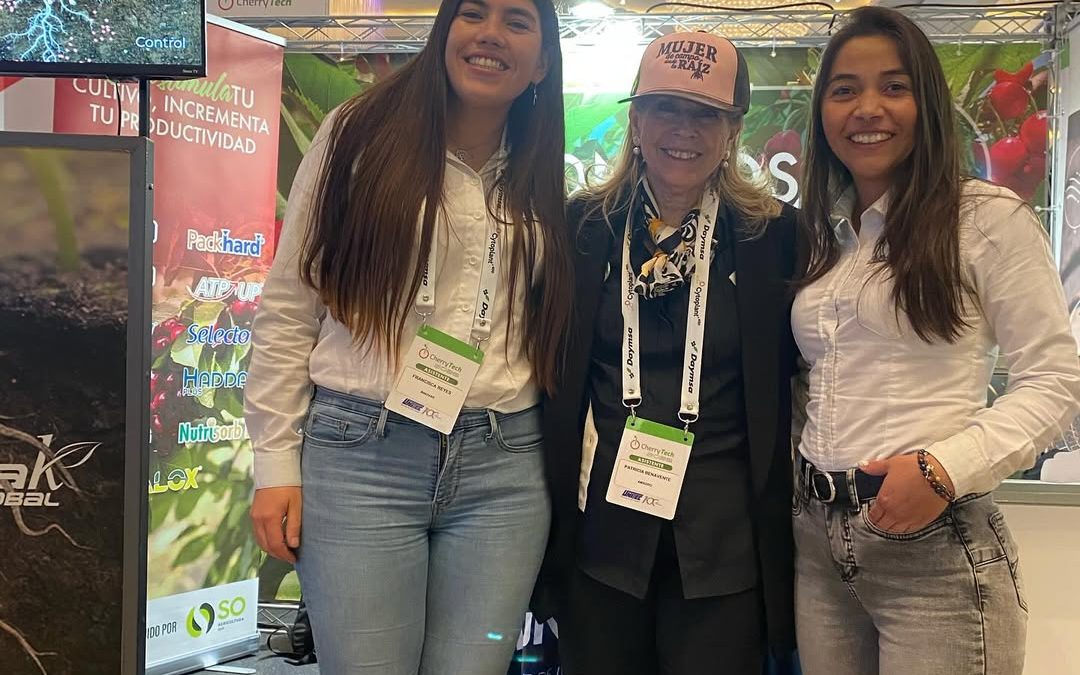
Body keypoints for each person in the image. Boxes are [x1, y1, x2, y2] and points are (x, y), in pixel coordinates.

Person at [244, 0, 573, 672]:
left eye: (517, 21)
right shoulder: (358, 136)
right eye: (473, 13)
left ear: (542, 62)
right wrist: (274, 461)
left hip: (504, 466)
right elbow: (290, 304)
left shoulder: (540, 168)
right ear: (444, 30)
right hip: (362, 456)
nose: (490, 35)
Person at [791, 7, 1080, 675]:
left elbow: (1055, 380)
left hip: (933, 545)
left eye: (894, 86)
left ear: (926, 100)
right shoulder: (826, 234)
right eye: (844, 89)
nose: (868, 108)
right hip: (816, 542)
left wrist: (942, 469)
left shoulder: (985, 217)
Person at [534, 31, 802, 675]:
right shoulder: (580, 228)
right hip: (601, 537)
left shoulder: (772, 238)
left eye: (705, 114)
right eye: (665, 109)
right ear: (636, 119)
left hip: (723, 547)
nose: (684, 130)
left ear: (732, 129)